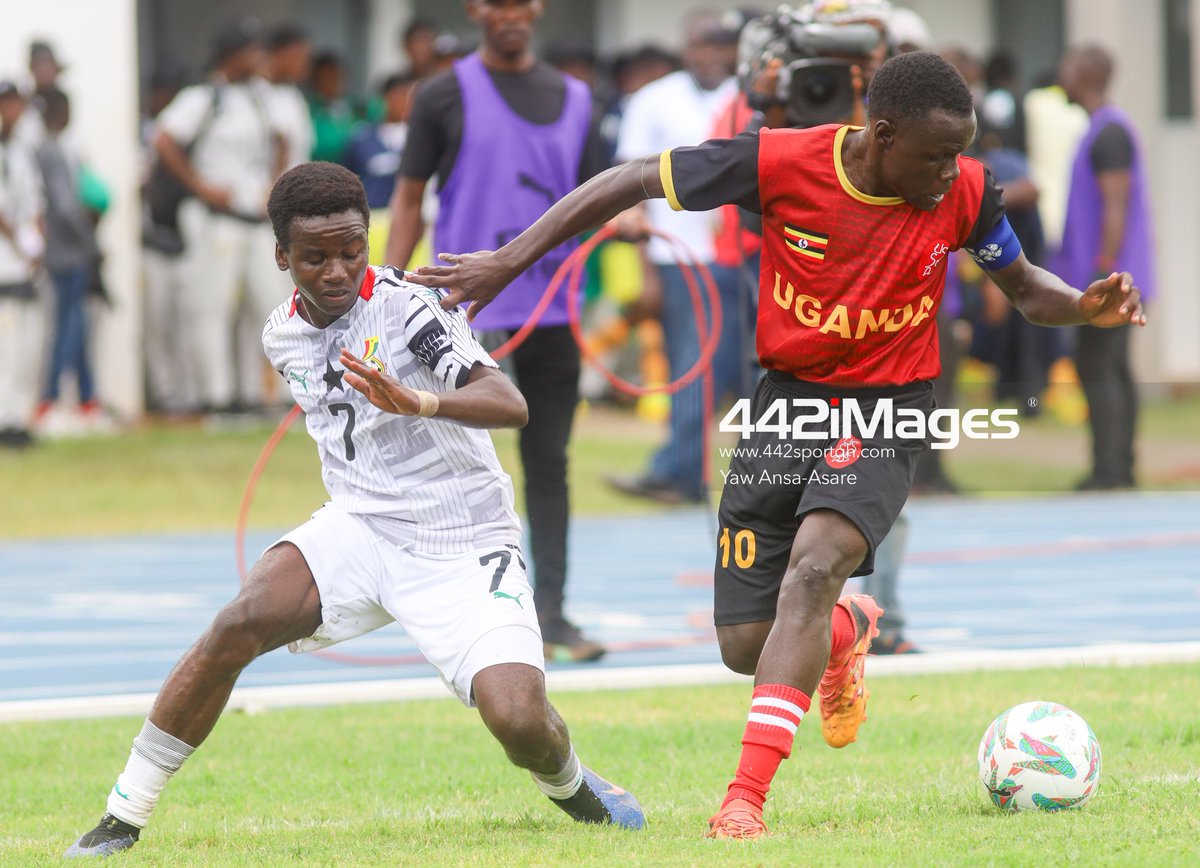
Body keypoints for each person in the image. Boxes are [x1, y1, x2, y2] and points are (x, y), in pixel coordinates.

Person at [407, 51, 1146, 838]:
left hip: (889, 408)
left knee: (815, 566)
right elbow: (632, 180)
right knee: (743, 644)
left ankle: (743, 800)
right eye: (935, 154)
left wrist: (1084, 307)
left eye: (958, 152)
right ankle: (846, 628)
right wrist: (512, 259)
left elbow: (1029, 289)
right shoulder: (782, 160)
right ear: (881, 134)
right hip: (786, 405)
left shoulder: (961, 192)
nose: (952, 170)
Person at [64, 162, 644, 858]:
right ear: (282, 257)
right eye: (315, 257)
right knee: (237, 622)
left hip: (463, 540)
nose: (337, 270)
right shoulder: (280, 334)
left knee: (517, 719)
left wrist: (421, 400)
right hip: (363, 526)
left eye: (352, 250)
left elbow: (508, 404)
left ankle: (573, 786)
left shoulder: (409, 308)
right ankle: (121, 819)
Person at [386, 0, 611, 664]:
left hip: (551, 314)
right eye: (496, 2)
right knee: (450, 471)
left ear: (538, 8)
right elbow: (408, 197)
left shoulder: (577, 99)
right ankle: (453, 615)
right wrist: (390, 295)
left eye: (521, 1)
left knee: (549, 466)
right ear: (475, 9)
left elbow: (599, 199)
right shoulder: (440, 94)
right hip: (463, 319)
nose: (509, 13)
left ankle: (553, 616)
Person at [607, 9, 742, 505]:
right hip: (680, 255)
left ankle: (724, 474)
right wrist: (645, 270)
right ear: (686, 46)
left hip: (748, 255)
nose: (709, 52)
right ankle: (678, 472)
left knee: (742, 366)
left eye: (720, 43)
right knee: (695, 363)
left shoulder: (752, 98)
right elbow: (630, 185)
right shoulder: (653, 98)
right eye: (701, 42)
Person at [155, 18, 284, 415]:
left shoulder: (260, 97)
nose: (259, 58)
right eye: (251, 51)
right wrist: (200, 184)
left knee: (270, 305)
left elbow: (281, 138)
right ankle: (218, 398)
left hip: (256, 218)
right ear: (232, 55)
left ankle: (268, 396)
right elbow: (163, 139)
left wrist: (275, 182)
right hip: (216, 219)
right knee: (211, 309)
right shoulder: (204, 96)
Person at [1054, 44, 1156, 490]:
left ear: (1086, 73)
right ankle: (1119, 466)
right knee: (1111, 368)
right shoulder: (1099, 129)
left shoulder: (1110, 132)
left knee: (1098, 367)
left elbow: (1115, 206)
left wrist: (1106, 271)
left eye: (1068, 65)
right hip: (1109, 275)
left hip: (1113, 279)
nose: (1062, 73)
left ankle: (1110, 470)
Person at [33, 88, 104, 433]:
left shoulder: (55, 148)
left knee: (77, 327)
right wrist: (90, 239)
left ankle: (88, 400)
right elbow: (64, 205)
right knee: (69, 329)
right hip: (67, 253)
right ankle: (50, 400)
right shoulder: (51, 150)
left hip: (69, 252)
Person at [0, 81, 44, 448]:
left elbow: (34, 202)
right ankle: (6, 422)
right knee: (7, 347)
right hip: (6, 263)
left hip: (24, 263)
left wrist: (36, 245)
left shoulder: (20, 151)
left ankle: (18, 417)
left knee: (25, 348)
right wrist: (20, 242)